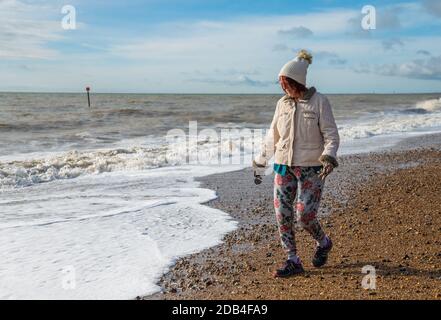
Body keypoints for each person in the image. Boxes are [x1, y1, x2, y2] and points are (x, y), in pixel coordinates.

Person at [253, 50, 340, 278]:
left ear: (296, 81)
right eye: (280, 83)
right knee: (283, 214)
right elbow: (273, 136)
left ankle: (323, 242)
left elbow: (331, 135)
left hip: (313, 168)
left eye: (285, 83)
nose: (282, 87)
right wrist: (261, 161)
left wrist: (329, 157)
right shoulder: (282, 104)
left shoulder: (319, 102)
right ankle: (293, 259)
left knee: (305, 215)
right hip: (283, 166)